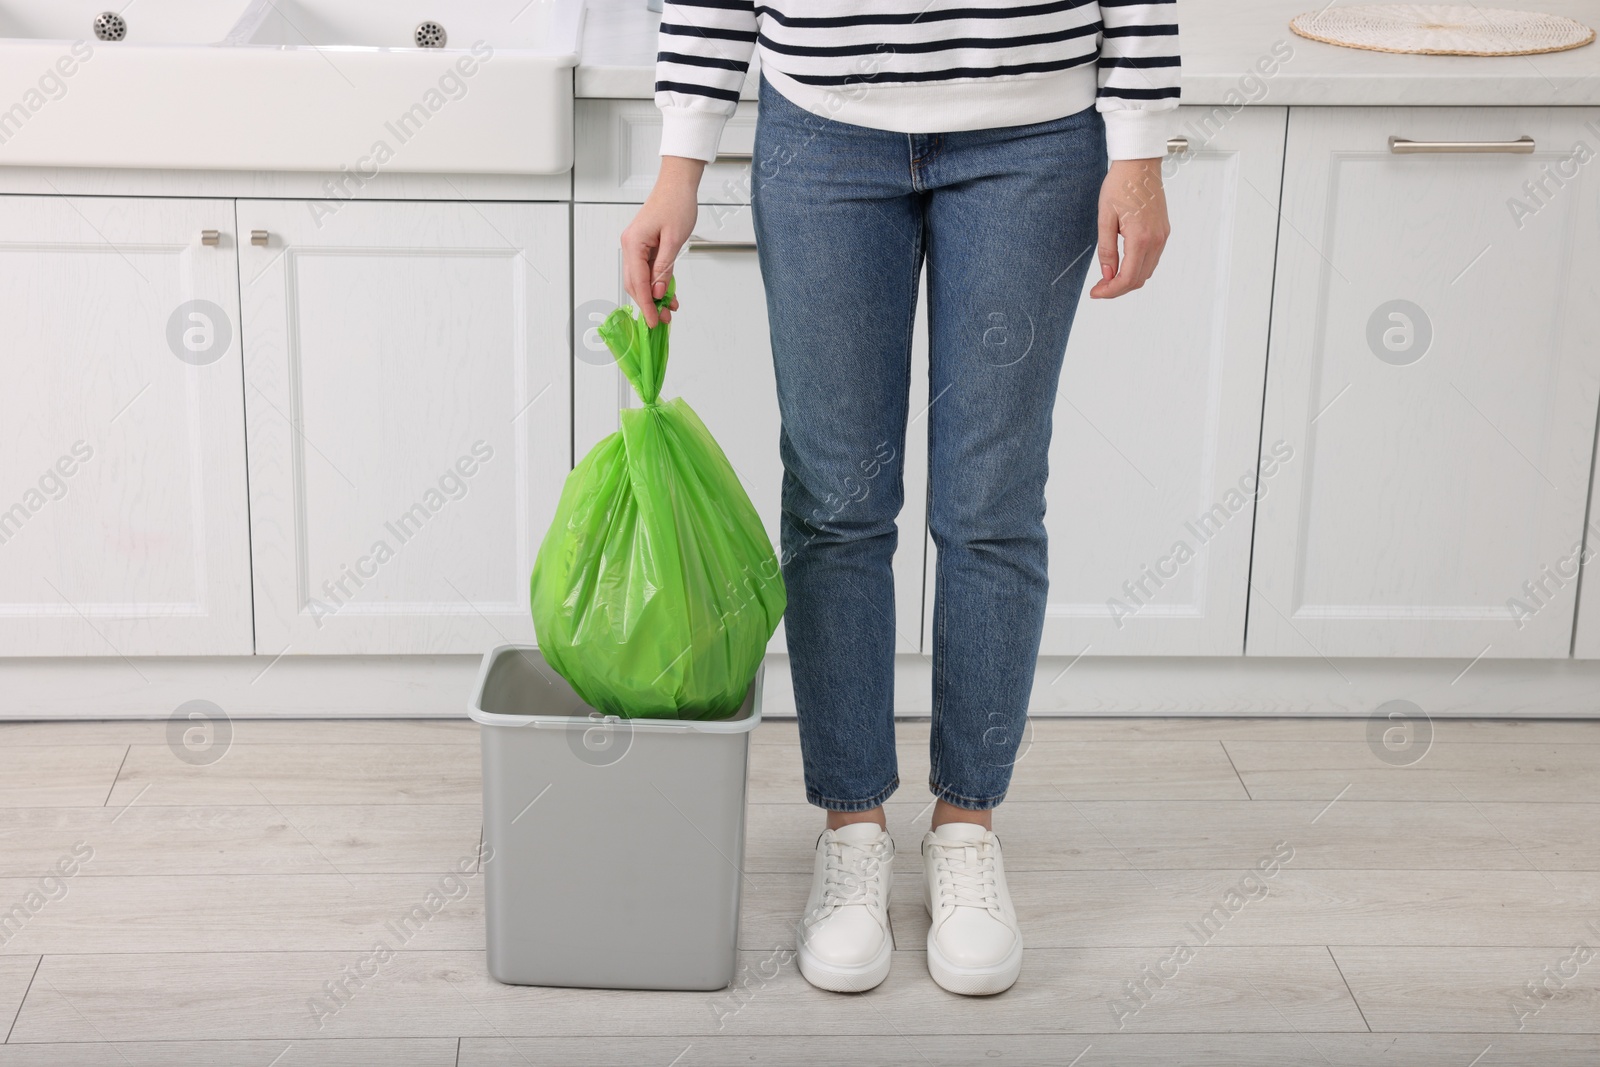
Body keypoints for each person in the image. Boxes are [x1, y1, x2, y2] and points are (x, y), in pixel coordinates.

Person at [622, 0, 1179, 996]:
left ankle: (966, 827)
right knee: (836, 505)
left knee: (991, 502)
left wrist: (1137, 150)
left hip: (1035, 128)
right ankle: (852, 828)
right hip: (820, 126)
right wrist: (680, 162)